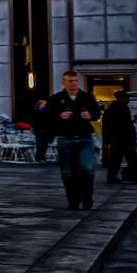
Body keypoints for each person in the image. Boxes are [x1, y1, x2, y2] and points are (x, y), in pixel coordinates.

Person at [45, 71, 101, 210]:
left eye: (75, 80)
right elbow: (47, 116)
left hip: (85, 138)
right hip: (66, 138)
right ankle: (73, 201)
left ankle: (87, 197)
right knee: (69, 172)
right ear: (64, 82)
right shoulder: (56, 98)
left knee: (87, 169)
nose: (73, 83)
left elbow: (97, 113)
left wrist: (90, 115)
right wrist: (60, 115)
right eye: (70, 81)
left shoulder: (87, 97)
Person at [102, 88, 137, 185]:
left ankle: (111, 177)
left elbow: (106, 126)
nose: (128, 100)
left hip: (115, 139)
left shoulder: (110, 109)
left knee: (115, 160)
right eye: (127, 98)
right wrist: (132, 137)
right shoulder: (124, 108)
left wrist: (107, 140)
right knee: (133, 159)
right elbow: (127, 125)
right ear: (123, 98)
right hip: (126, 139)